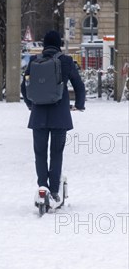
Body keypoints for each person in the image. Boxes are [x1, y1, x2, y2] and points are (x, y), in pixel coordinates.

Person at [21, 30, 85, 207]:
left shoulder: (35, 61)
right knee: (56, 154)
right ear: (59, 44)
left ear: (44, 44)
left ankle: (43, 187)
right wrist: (79, 104)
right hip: (60, 116)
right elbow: (79, 85)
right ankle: (55, 191)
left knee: (40, 153)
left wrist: (30, 104)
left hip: (38, 116)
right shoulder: (66, 61)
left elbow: (24, 86)